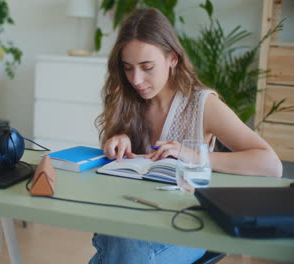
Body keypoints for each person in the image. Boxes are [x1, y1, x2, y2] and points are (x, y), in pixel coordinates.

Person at [90, 8, 283, 264]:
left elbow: (271, 165)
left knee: (123, 247)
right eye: (128, 68)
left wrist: (193, 156)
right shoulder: (128, 100)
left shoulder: (202, 105)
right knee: (121, 241)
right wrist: (118, 141)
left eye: (147, 67)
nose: (136, 79)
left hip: (186, 227)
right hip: (132, 218)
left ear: (173, 58)